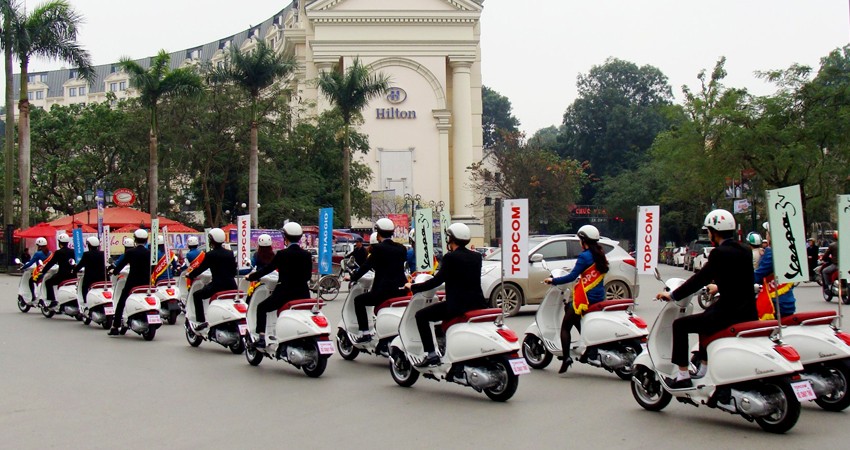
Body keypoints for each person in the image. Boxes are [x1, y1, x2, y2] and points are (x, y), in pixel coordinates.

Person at [656, 210, 756, 388]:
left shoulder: (719, 253)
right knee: (707, 315)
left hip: (728, 313)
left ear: (714, 231)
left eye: (708, 230)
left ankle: (683, 375)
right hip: (748, 312)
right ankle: (703, 367)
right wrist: (718, 286)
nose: (708, 234)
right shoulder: (745, 250)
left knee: (680, 325)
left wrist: (672, 294)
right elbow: (739, 278)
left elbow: (699, 279)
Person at [405, 223, 486, 367]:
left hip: (457, 305)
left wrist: (414, 287)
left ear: (452, 239)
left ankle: (431, 354)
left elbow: (437, 281)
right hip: (477, 303)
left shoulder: (450, 258)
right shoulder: (476, 257)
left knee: (421, 316)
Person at [543, 225, 610, 373]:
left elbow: (572, 276)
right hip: (599, 297)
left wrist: (553, 280)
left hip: (586, 299)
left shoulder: (584, 256)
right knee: (569, 308)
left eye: (580, 239)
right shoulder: (600, 254)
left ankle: (566, 357)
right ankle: (588, 344)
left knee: (565, 327)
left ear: (583, 240)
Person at [245, 223, 312, 348]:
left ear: (285, 237)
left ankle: (261, 338)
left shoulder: (282, 254)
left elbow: (268, 269)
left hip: (284, 293)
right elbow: (308, 276)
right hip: (303, 293)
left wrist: (251, 277)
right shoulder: (306, 255)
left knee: (262, 307)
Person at [350, 218, 408, 343]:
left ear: (378, 233)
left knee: (359, 301)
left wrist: (353, 277)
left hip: (383, 291)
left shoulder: (378, 249)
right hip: (400, 290)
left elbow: (366, 266)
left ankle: (364, 332)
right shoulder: (402, 248)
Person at [186, 228, 237, 331]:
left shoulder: (210, 255)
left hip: (217, 286)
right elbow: (233, 271)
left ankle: (200, 322)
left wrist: (190, 275)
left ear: (212, 240)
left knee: (197, 295)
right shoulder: (230, 253)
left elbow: (201, 268)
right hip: (232, 285)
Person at [108, 229, 152, 335]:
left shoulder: (130, 252)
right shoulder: (150, 253)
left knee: (122, 301)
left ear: (135, 240)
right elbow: (153, 267)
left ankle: (116, 325)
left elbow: (120, 265)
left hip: (133, 282)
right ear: (146, 240)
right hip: (147, 282)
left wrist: (114, 272)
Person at [754, 223, 795, 318]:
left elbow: (758, 275)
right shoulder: (787, 251)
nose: (766, 236)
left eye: (767, 234)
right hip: (788, 301)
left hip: (776, 303)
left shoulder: (771, 253)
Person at [37, 233, 76, 308]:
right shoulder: (72, 251)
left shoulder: (58, 252)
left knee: (48, 282)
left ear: (59, 242)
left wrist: (43, 271)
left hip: (62, 276)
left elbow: (51, 263)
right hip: (72, 276)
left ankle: (51, 301)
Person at [73, 236, 106, 300]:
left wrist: (74, 270)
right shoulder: (103, 253)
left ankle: (85, 302)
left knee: (84, 288)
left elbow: (80, 265)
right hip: (102, 278)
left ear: (89, 245)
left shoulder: (87, 254)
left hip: (90, 279)